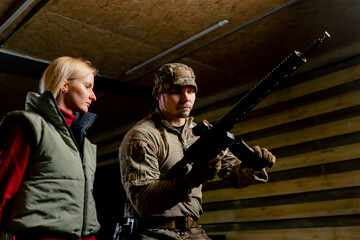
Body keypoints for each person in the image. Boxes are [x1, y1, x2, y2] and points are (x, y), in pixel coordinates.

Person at [117, 63, 276, 240]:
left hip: (192, 231)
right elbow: (143, 202)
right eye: (176, 91)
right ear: (158, 95)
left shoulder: (199, 134)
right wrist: (193, 178)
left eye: (191, 91)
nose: (186, 98)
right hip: (151, 233)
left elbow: (235, 175)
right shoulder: (142, 136)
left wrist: (253, 165)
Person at [0, 56, 100, 240]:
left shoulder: (86, 145)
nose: (93, 95)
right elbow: (3, 189)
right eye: (87, 86)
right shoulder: (28, 126)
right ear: (64, 85)